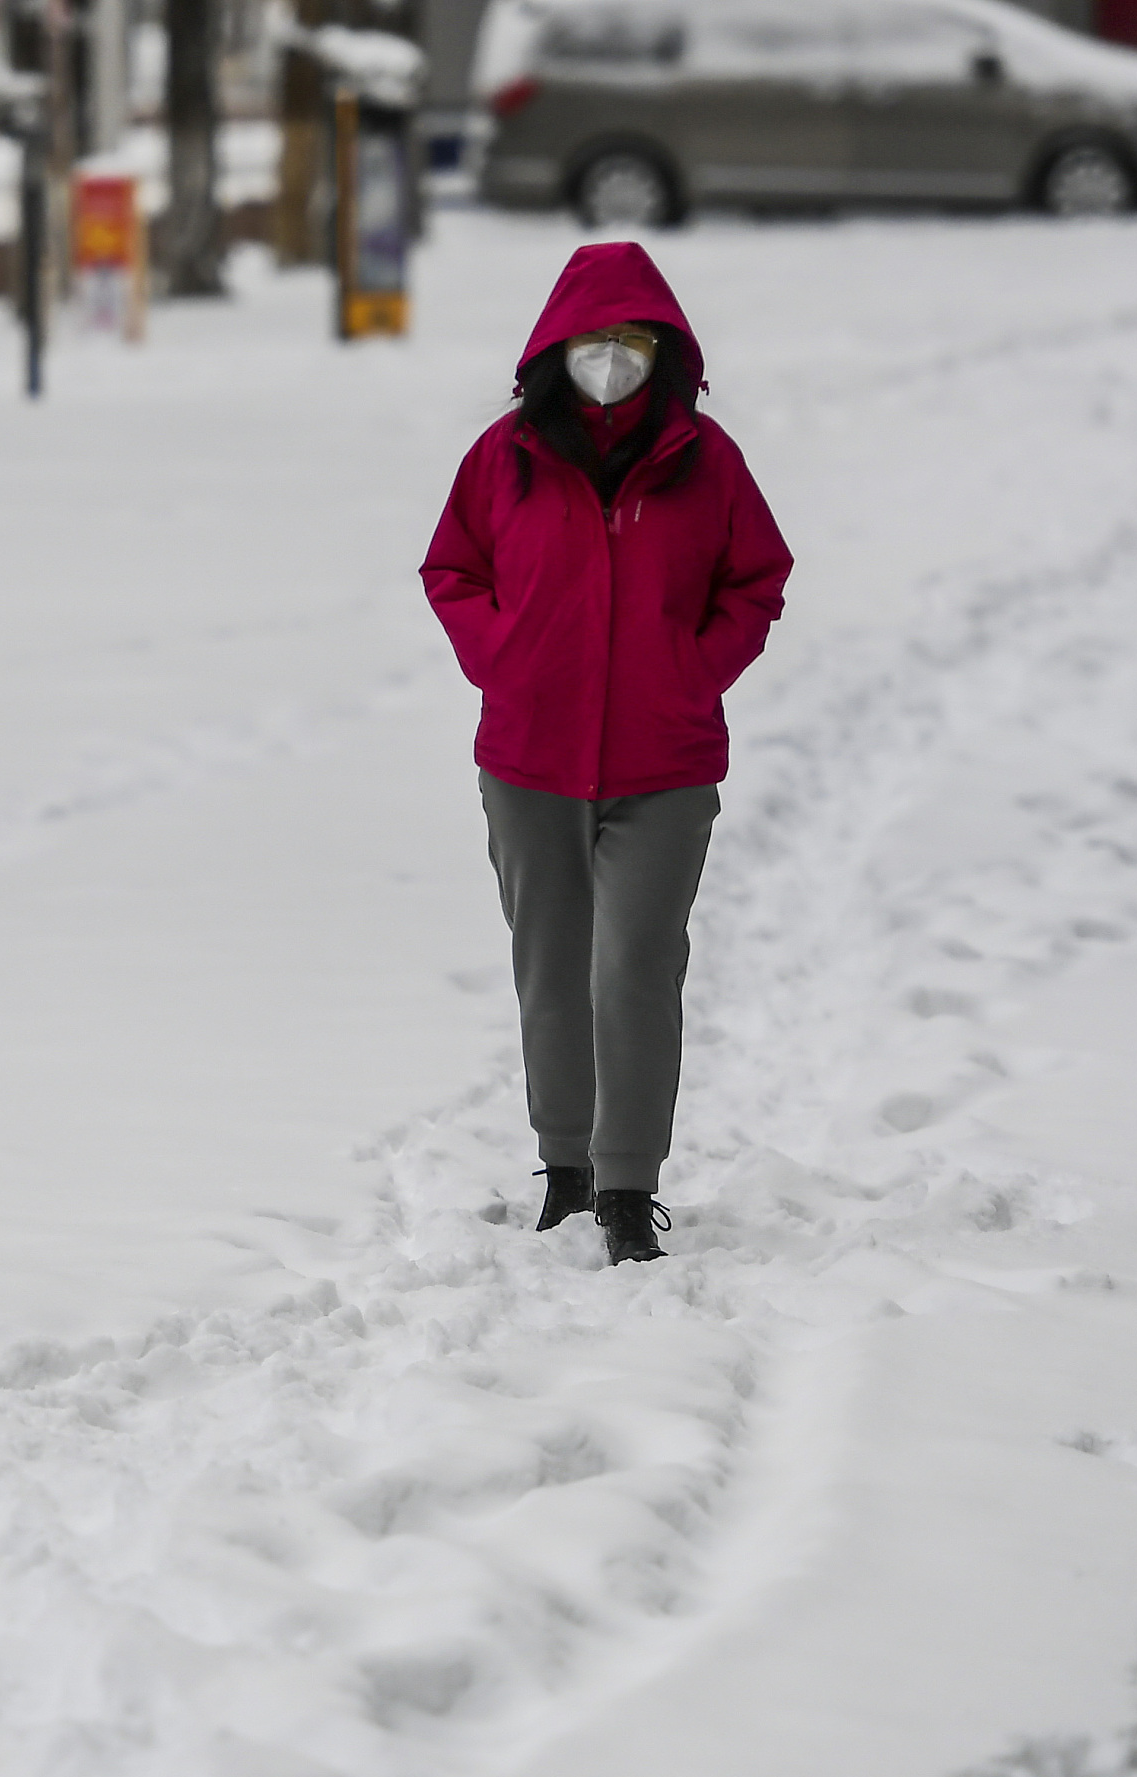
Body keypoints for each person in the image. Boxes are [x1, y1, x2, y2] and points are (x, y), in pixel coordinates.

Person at [419, 241, 791, 1266]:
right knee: (551, 970)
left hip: (662, 765)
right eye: (594, 341)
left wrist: (692, 668)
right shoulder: (504, 456)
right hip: (528, 759)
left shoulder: (705, 461)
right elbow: (451, 566)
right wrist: (504, 655)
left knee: (631, 965)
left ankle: (628, 1184)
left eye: (632, 341)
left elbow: (756, 578)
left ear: (662, 351)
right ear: (556, 349)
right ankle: (565, 1166)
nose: (612, 358)